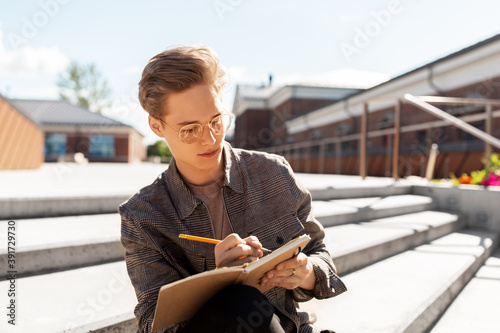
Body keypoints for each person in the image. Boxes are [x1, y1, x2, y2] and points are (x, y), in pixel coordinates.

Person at [120, 45, 347, 333]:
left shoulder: (273, 173)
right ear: (156, 126)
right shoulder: (142, 216)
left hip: (289, 327)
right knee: (240, 302)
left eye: (217, 120)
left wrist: (305, 273)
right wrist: (219, 282)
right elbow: (153, 322)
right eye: (190, 129)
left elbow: (320, 255)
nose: (210, 138)